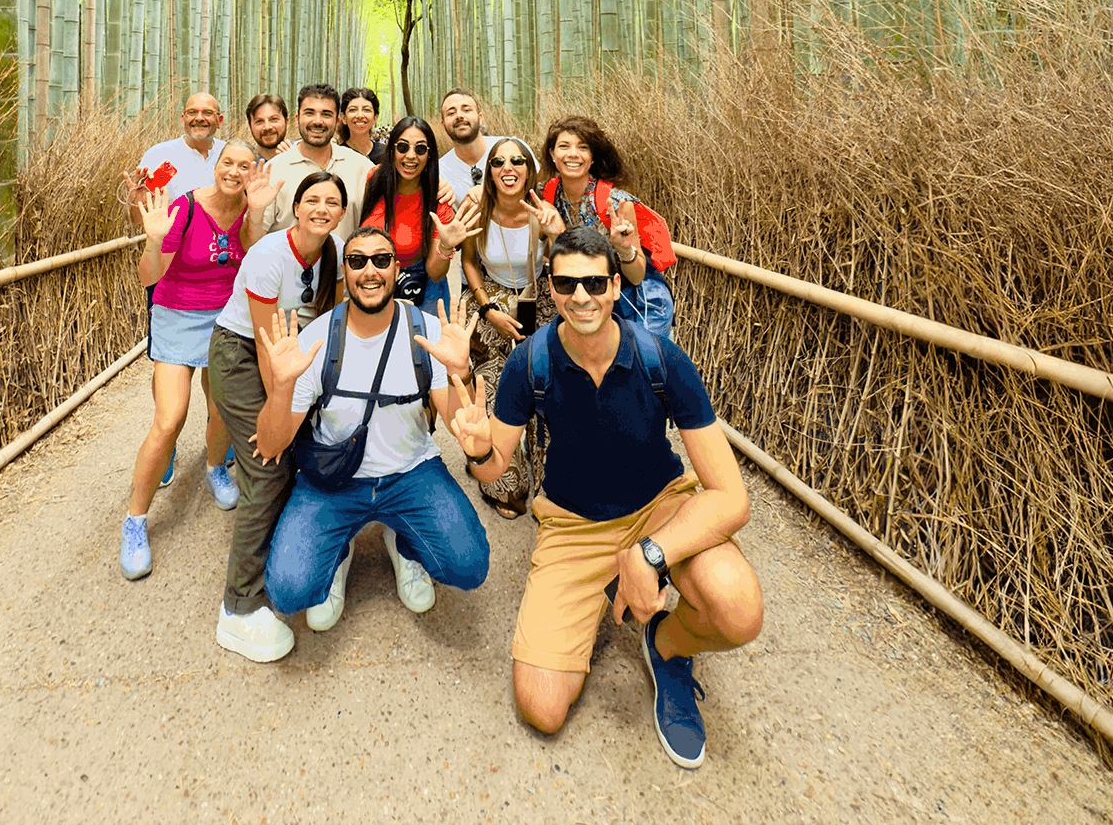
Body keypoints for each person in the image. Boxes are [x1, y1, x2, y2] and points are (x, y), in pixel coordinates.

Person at [451, 226, 764, 769]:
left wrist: (651, 554)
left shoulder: (661, 359)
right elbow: (496, 467)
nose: (582, 296)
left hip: (659, 507)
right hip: (574, 524)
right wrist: (478, 452)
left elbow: (730, 496)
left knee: (738, 610)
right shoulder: (530, 365)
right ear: (549, 288)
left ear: (616, 287)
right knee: (541, 708)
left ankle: (667, 644)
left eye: (595, 282)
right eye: (568, 283)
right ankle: (603, 589)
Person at [252, 228, 491, 633]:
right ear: (344, 271)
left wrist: (460, 378)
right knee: (289, 591)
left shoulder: (427, 333)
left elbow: (455, 418)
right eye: (357, 260)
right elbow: (274, 443)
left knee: (468, 565)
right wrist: (282, 387)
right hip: (334, 479)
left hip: (410, 472)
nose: (370, 270)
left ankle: (405, 543)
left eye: (382, 260)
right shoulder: (316, 340)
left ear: (396, 268)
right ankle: (337, 551)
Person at [205, 170, 348, 663]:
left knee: (301, 457)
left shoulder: (332, 252)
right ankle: (238, 607)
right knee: (267, 467)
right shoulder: (269, 255)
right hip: (243, 356)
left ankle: (290, 559)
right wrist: (278, 423)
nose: (322, 209)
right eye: (313, 200)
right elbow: (269, 352)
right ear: (296, 205)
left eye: (332, 202)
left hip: (290, 357)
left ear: (342, 212)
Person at [120, 143, 279, 578]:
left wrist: (259, 213)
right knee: (169, 419)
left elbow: (250, 250)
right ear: (215, 165)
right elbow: (148, 277)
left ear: (253, 173)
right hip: (176, 316)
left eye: (244, 166)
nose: (233, 171)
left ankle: (214, 468)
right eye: (227, 162)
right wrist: (152, 241)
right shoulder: (185, 208)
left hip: (227, 318)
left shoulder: (250, 208)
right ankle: (135, 521)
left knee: (221, 409)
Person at [455, 138, 558, 519]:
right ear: (490, 172)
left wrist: (555, 232)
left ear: (529, 169)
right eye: (498, 162)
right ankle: (504, 483)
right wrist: (486, 307)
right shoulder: (478, 210)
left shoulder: (543, 211)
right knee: (492, 385)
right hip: (492, 296)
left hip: (537, 295)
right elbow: (468, 263)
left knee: (547, 386)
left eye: (517, 160)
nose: (508, 167)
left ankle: (553, 484)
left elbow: (563, 257)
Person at [536, 115, 679, 338]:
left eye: (583, 147)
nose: (573, 154)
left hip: (637, 307)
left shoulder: (616, 203)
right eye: (564, 146)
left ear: (592, 158)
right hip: (590, 301)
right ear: (552, 155)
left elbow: (637, 276)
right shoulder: (549, 196)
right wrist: (556, 235)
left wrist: (623, 250)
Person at [359, 116, 475, 316]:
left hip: (421, 289)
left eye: (420, 149)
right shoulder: (374, 179)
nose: (411, 156)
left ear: (429, 155)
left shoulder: (438, 198)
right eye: (403, 147)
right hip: (374, 281)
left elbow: (435, 273)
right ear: (392, 149)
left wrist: (446, 246)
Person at [260, 84, 369, 242]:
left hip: (343, 264)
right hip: (288, 265)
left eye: (326, 114)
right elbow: (254, 239)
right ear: (297, 119)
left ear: (337, 121)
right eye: (309, 113)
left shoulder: (362, 167)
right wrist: (255, 212)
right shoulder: (274, 169)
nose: (317, 121)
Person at [132, 93, 228, 200]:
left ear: (220, 121)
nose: (199, 118)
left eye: (208, 113)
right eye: (192, 112)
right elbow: (140, 210)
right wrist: (135, 201)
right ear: (182, 120)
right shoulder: (161, 156)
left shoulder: (230, 153)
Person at [437, 88, 500, 204]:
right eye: (451, 113)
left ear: (480, 118)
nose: (459, 116)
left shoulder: (510, 149)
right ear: (443, 125)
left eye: (466, 110)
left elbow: (539, 192)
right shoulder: (440, 172)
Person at [339, 86, 389, 163]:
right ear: (343, 118)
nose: (360, 115)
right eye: (353, 110)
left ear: (375, 118)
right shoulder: (337, 156)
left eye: (366, 110)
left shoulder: (387, 154)